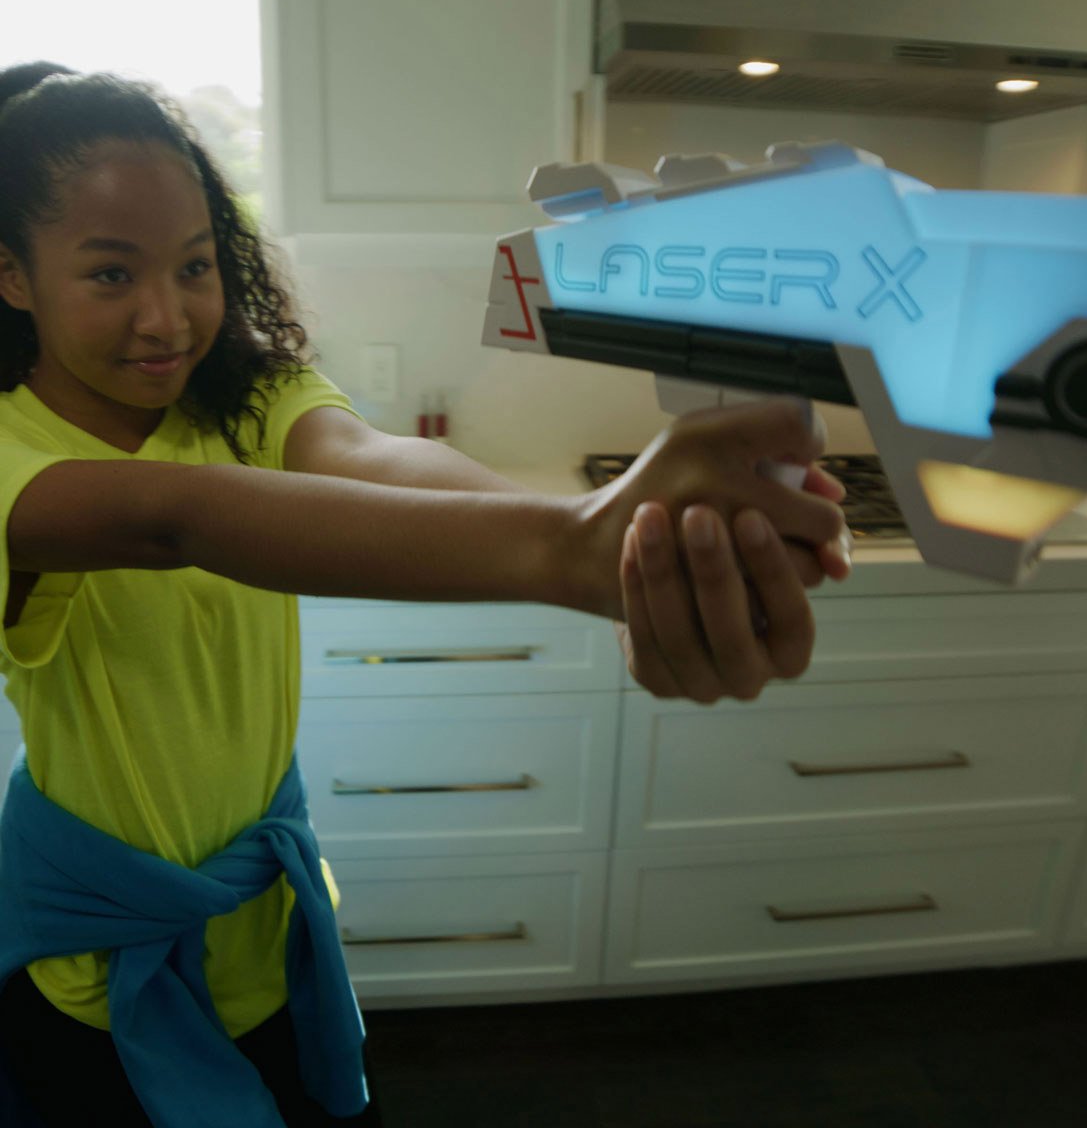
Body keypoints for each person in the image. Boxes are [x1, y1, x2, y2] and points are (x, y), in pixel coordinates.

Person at [0, 63, 850, 1128]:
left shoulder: (243, 396)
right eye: (111, 274)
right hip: (94, 964)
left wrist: (616, 550)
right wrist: (571, 549)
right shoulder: (14, 450)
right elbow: (177, 517)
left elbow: (372, 460)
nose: (167, 316)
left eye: (196, 265)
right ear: (13, 275)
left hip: (267, 933)